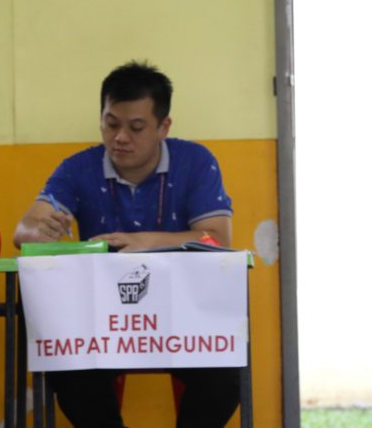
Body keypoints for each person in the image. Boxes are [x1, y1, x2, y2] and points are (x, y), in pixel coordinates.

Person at [13, 61, 239, 428]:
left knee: (225, 378)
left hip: (183, 317)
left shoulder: (196, 162)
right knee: (63, 363)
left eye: (136, 127)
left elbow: (217, 237)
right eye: (111, 123)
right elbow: (23, 231)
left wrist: (144, 241)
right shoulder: (77, 168)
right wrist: (42, 231)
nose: (120, 137)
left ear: (163, 127)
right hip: (102, 321)